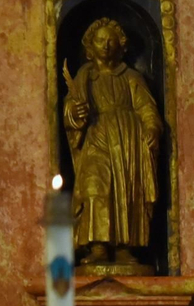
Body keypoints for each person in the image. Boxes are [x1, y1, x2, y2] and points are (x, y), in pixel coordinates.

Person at [63, 17, 162, 269]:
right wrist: (76, 115)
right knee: (95, 187)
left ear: (121, 45)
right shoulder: (85, 76)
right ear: (90, 46)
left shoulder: (131, 77)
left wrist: (151, 128)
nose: (105, 45)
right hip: (96, 135)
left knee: (126, 190)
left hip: (128, 140)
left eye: (111, 40)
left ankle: (124, 248)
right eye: (100, 41)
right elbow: (70, 108)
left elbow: (146, 107)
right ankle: (97, 246)